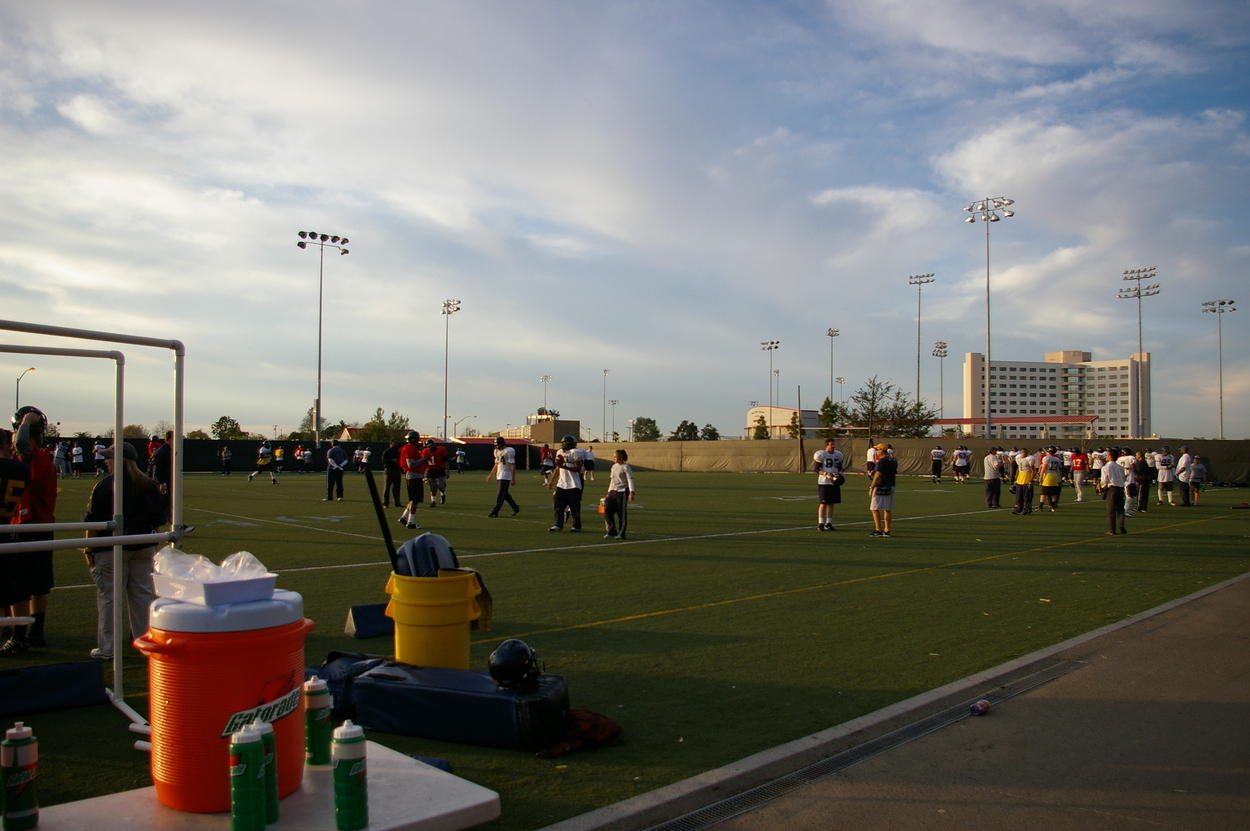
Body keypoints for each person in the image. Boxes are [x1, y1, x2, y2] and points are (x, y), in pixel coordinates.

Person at [81, 442, 166, 660]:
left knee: (109, 597)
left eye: (109, 457)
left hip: (111, 547)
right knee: (142, 596)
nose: (106, 461)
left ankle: (108, 648)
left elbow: (93, 522)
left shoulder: (105, 485)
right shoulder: (148, 484)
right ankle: (144, 641)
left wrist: (89, 549)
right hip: (143, 546)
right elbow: (159, 518)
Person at [2, 407, 57, 655]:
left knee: (20, 587)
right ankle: (36, 633)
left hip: (25, 526)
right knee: (38, 584)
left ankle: (20, 636)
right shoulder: (42, 455)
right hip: (42, 526)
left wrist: (25, 422)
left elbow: (22, 444)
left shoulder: (32, 455)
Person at [0, 429, 30, 655]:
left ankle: (15, 633)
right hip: (9, 525)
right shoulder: (20, 468)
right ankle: (17, 633)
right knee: (13, 584)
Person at [547, 435, 585, 532]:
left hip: (574, 484)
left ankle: (576, 526)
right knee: (558, 505)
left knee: (574, 507)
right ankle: (558, 524)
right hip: (561, 484)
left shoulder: (576, 452)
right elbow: (558, 468)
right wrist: (551, 480)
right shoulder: (559, 452)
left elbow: (578, 469)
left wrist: (564, 466)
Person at [812, 438, 844, 531]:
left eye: (834, 445)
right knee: (823, 503)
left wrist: (839, 476)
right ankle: (821, 523)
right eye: (831, 445)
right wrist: (826, 474)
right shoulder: (821, 454)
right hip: (824, 482)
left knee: (831, 503)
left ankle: (828, 523)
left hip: (834, 482)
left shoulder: (838, 455)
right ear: (826, 445)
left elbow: (840, 468)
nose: (833, 446)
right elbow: (816, 469)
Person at [603, 449, 636, 539]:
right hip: (612, 491)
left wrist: (631, 492)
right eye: (613, 456)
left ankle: (621, 533)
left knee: (621, 513)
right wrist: (608, 492)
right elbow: (612, 480)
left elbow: (630, 479)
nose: (614, 458)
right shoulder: (613, 467)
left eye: (615, 456)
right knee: (607, 510)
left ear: (621, 457)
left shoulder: (626, 467)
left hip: (622, 492)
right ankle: (612, 531)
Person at [486, 436, 520, 517]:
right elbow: (496, 464)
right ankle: (515, 507)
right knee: (505, 494)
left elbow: (512, 465)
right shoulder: (496, 451)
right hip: (499, 474)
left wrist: (513, 478)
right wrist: (491, 474)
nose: (496, 446)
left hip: (506, 475)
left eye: (497, 444)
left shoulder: (509, 451)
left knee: (500, 494)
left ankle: (495, 511)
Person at [398, 431, 426, 528]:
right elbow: (411, 464)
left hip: (414, 475)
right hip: (414, 475)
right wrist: (424, 459)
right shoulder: (409, 448)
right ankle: (411, 522)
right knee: (415, 500)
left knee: (413, 499)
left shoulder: (410, 448)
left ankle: (404, 517)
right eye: (417, 439)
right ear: (413, 439)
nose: (418, 441)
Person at [868, 443, 897, 536]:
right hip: (891, 484)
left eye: (877, 450)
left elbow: (877, 475)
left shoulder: (882, 461)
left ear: (882, 450)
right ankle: (887, 530)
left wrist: (871, 487)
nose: (876, 451)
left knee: (874, 508)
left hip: (881, 486)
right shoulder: (893, 460)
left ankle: (878, 530)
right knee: (887, 508)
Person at [1100, 447, 1128, 535]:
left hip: (1111, 489)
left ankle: (1111, 530)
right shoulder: (1120, 467)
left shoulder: (1106, 467)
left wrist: (1102, 486)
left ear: (1110, 456)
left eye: (1107, 455)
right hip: (1120, 488)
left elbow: (1104, 480)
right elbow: (1124, 478)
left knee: (1111, 511)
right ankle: (1121, 526)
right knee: (1120, 510)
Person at [422, 439, 448, 507]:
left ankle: (442, 494)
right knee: (433, 487)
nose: (430, 447)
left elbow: (445, 461)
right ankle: (433, 501)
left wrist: (446, 470)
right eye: (429, 446)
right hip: (430, 471)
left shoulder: (441, 449)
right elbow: (424, 463)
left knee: (441, 486)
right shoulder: (425, 451)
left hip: (440, 470)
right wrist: (424, 474)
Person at [1038, 447, 1063, 512]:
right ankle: (1053, 508)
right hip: (1055, 476)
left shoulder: (1046, 458)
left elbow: (1044, 468)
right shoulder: (1057, 459)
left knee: (1043, 492)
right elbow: (1059, 469)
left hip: (1048, 476)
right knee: (1053, 493)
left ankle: (1040, 506)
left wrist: (1040, 477)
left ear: (1049, 451)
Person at [1012, 447, 1035, 515]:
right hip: (1020, 480)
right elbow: (1018, 469)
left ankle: (1027, 509)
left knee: (1027, 497)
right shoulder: (1019, 459)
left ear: (1027, 453)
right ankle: (1019, 509)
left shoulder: (1029, 459)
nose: (1023, 453)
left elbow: (1033, 471)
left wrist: (1031, 480)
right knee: (1019, 496)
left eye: (1025, 452)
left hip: (1026, 480)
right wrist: (1016, 477)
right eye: (1022, 452)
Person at [381, 440, 402, 507]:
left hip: (397, 470)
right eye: (394, 443)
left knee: (397, 488)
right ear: (390, 444)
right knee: (387, 487)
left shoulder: (398, 452)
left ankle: (397, 503)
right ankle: (385, 503)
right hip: (389, 470)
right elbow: (384, 461)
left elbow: (400, 460)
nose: (395, 445)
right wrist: (392, 460)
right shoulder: (387, 452)